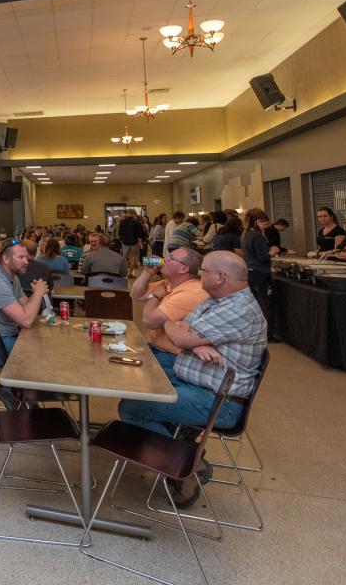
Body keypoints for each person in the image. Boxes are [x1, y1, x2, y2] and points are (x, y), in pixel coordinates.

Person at [117, 252, 267, 506]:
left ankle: (190, 463)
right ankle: (179, 449)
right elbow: (184, 329)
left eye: (205, 271)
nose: (200, 275)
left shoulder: (238, 309)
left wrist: (185, 336)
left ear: (220, 277)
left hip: (219, 401)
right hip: (198, 384)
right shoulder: (217, 300)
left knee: (132, 407)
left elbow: (180, 333)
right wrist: (191, 340)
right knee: (139, 385)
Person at [130, 248, 208, 371]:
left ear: (184, 269)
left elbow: (149, 321)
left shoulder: (191, 293)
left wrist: (155, 297)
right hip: (160, 348)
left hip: (175, 357)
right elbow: (137, 295)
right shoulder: (170, 282)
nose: (164, 259)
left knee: (130, 371)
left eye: (170, 258)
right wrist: (148, 272)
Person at [0, 239, 48, 363]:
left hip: (5, 338)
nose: (26, 261)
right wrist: (38, 294)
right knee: (41, 352)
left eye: (26, 257)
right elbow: (26, 321)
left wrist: (35, 295)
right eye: (21, 257)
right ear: (6, 259)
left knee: (42, 343)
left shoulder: (12, 277)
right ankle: (10, 383)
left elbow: (25, 307)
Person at [242, 208, 274, 337]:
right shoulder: (257, 235)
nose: (266, 227)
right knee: (264, 303)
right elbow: (262, 257)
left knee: (254, 302)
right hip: (261, 273)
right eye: (265, 224)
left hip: (250, 271)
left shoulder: (246, 234)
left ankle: (254, 330)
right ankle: (266, 333)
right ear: (258, 221)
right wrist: (273, 251)